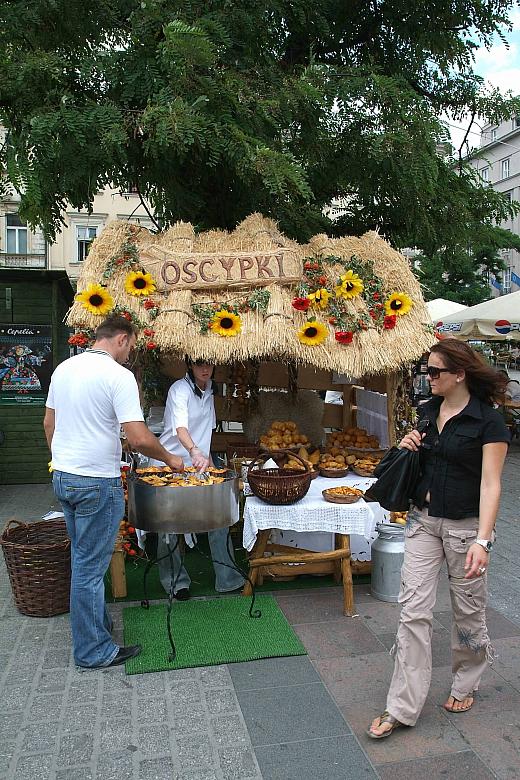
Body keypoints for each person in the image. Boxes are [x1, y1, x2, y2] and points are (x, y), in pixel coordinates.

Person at [368, 339, 510, 739]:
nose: (426, 378)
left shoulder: (489, 422)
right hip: (423, 522)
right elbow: (409, 463)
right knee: (413, 610)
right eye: (425, 371)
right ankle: (401, 705)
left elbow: (491, 484)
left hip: (466, 529)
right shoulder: (426, 414)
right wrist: (405, 445)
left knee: (467, 612)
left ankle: (466, 682)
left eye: (434, 372)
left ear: (459, 375)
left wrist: (484, 540)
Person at [44, 315, 184, 669]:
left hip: (65, 475)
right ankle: (93, 652)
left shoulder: (65, 368)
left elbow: (49, 424)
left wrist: (62, 460)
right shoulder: (118, 376)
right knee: (90, 569)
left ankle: (97, 627)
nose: (129, 355)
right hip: (95, 482)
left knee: (82, 561)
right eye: (131, 347)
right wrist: (170, 458)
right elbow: (137, 437)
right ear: (121, 339)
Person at [151, 358, 244, 599]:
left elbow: (205, 433)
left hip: (199, 465)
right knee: (168, 527)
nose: (205, 369)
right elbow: (181, 429)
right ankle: (175, 583)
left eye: (209, 365)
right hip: (169, 464)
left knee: (219, 517)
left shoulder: (209, 390)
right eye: (199, 364)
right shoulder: (179, 390)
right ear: (189, 366)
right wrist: (193, 450)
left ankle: (228, 579)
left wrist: (212, 465)